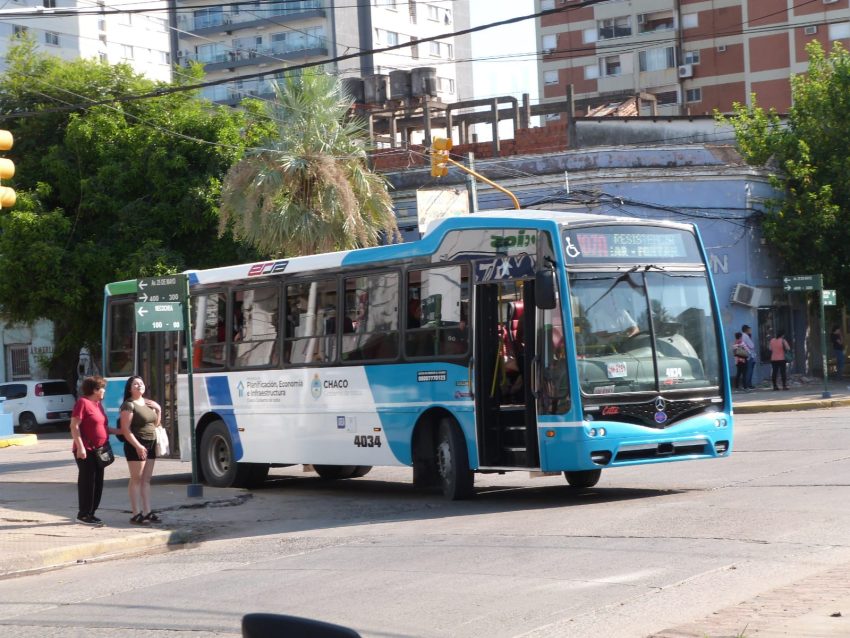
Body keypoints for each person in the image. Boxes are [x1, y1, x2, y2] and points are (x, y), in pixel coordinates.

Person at [70, 375, 118, 526]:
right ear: (95, 390)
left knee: (98, 483)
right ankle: (83, 514)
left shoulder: (98, 405)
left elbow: (102, 427)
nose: (104, 391)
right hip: (86, 450)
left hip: (100, 450)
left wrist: (121, 431)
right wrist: (80, 447)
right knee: (87, 483)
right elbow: (74, 426)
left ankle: (91, 513)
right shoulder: (82, 403)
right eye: (102, 388)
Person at [119, 376, 163, 525]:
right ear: (130, 388)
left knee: (146, 480)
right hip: (136, 445)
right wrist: (138, 446)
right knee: (136, 480)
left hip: (151, 443)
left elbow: (156, 424)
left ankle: (147, 511)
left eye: (141, 383)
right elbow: (125, 429)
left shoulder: (148, 403)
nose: (139, 386)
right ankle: (136, 513)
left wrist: (158, 409)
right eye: (135, 384)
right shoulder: (128, 405)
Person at [741, 324, 757, 390]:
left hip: (744, 355)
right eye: (749, 330)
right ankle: (747, 385)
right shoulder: (746, 336)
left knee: (745, 371)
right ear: (747, 330)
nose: (750, 331)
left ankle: (747, 384)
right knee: (749, 371)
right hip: (749, 356)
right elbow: (752, 346)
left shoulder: (742, 335)